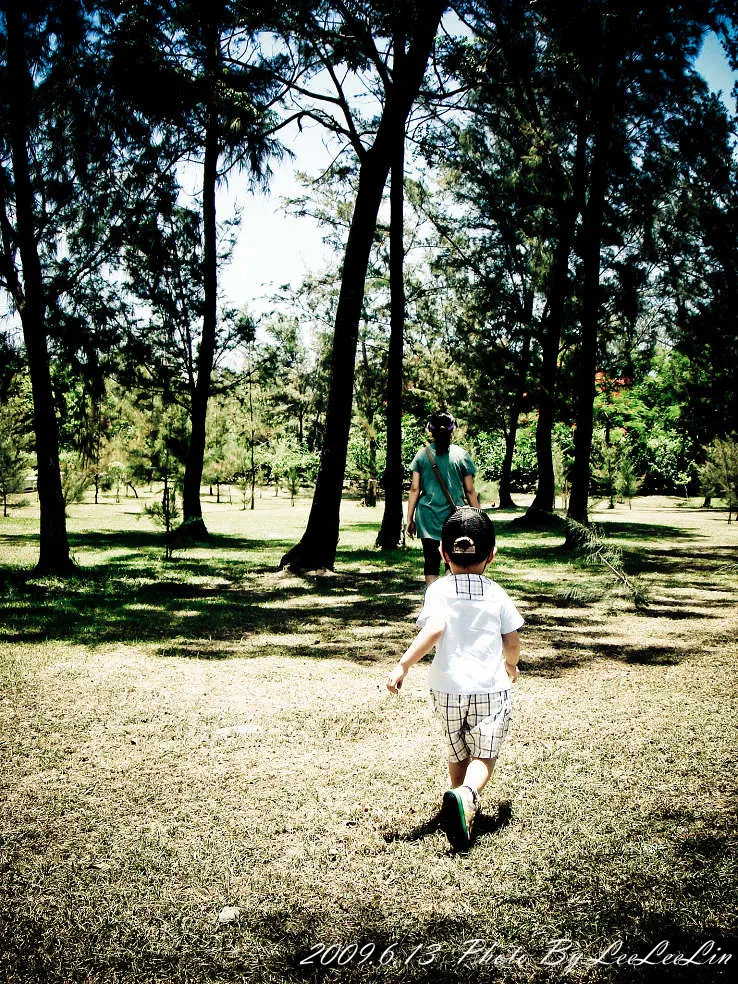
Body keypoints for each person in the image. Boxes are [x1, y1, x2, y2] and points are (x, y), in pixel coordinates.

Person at [386, 506, 523, 851]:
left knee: (456, 748)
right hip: (489, 687)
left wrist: (403, 665)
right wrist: (511, 664)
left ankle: (456, 805)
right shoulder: (496, 592)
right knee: (485, 754)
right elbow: (512, 639)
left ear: (444, 553)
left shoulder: (438, 591)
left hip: (446, 688)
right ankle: (467, 795)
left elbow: (433, 629)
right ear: (492, 554)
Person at [407, 410, 480, 586]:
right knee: (452, 561)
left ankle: (432, 602)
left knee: (431, 562)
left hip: (427, 516)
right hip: (454, 518)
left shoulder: (422, 455)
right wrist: (478, 517)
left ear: (430, 430)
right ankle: (449, 600)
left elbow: (415, 489)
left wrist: (409, 518)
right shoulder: (461, 455)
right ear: (452, 430)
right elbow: (470, 491)